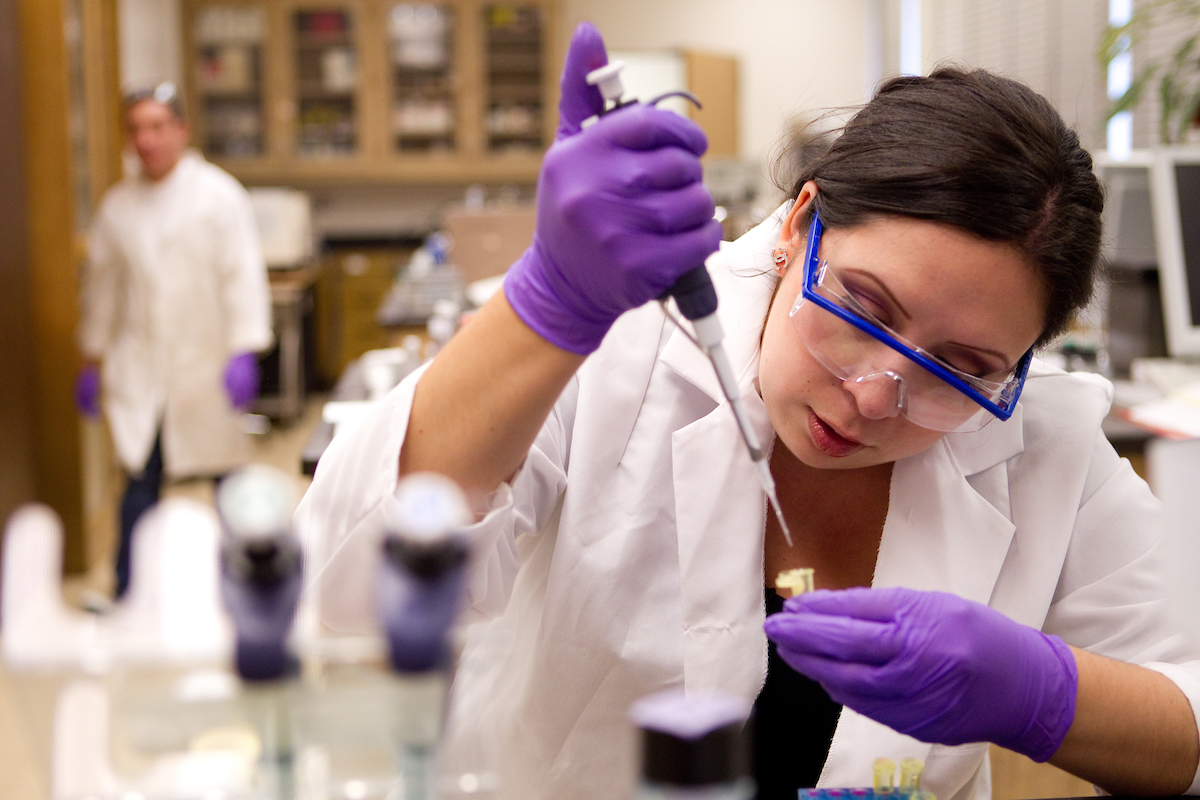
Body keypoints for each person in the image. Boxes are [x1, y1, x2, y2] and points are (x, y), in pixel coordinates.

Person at [296, 23, 1200, 800]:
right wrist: (547, 307)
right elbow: (348, 586)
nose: (876, 395)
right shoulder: (624, 345)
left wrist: (1044, 696)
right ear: (800, 225)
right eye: (866, 310)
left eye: (962, 367)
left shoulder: (1038, 436)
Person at [76, 82, 273, 599]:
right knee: (140, 483)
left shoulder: (218, 195)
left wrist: (245, 350)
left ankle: (249, 586)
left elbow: (242, 277)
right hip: (141, 367)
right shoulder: (117, 208)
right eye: (136, 128)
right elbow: (104, 291)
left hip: (205, 363)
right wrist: (92, 360)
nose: (147, 140)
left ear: (181, 130)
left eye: (157, 126)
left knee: (228, 482)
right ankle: (126, 591)